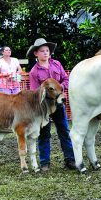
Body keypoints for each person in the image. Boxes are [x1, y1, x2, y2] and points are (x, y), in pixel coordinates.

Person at [27, 38, 76, 171]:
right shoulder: (34, 72)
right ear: (36, 53)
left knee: (64, 131)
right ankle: (45, 162)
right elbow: (35, 92)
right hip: (44, 108)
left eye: (47, 50)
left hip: (59, 104)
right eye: (42, 51)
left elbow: (66, 79)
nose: (45, 53)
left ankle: (70, 159)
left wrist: (60, 87)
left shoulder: (57, 64)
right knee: (44, 134)